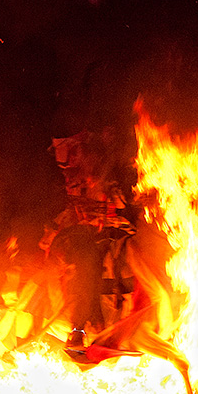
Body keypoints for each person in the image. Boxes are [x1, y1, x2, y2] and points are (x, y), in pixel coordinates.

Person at [41, 127, 137, 352]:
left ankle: (81, 329)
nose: (66, 158)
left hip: (111, 230)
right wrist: (53, 230)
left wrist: (115, 194)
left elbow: (122, 204)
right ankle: (79, 326)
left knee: (89, 260)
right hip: (82, 233)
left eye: (68, 151)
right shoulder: (72, 178)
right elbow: (72, 210)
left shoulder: (104, 168)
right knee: (80, 260)